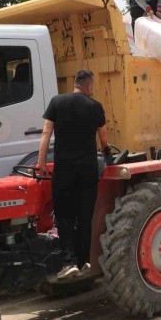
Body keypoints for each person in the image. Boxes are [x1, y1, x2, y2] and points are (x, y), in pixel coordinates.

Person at [36, 70, 110, 279]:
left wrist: (41, 163)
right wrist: (107, 152)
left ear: (75, 84)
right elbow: (103, 139)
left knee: (65, 217)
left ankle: (69, 262)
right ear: (88, 86)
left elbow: (46, 133)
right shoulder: (95, 106)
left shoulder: (57, 102)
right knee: (85, 216)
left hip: (64, 170)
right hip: (87, 170)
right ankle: (84, 261)